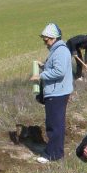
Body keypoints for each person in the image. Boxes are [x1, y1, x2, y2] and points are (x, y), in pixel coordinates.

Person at [30, 23, 73, 163]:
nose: (45, 42)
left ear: (54, 38)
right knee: (54, 123)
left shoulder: (60, 51)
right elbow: (55, 66)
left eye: (46, 39)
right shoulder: (57, 50)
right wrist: (43, 65)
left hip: (57, 93)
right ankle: (54, 150)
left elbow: (59, 72)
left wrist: (40, 76)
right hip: (57, 92)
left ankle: (53, 154)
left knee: (55, 124)